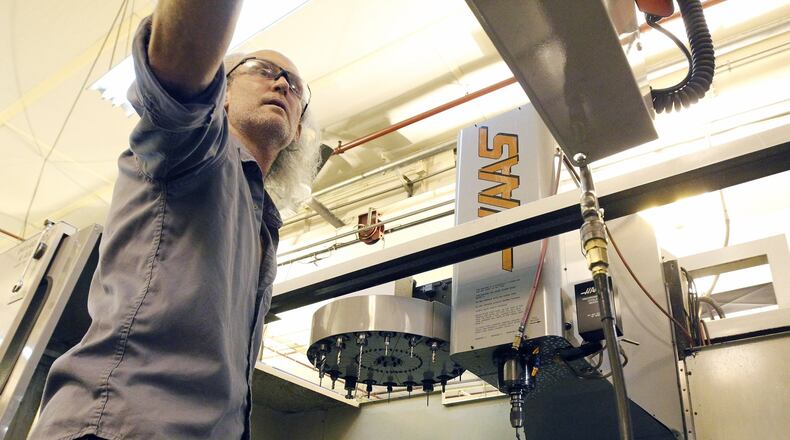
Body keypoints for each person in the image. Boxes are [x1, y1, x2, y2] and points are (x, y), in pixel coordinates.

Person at [29, 1, 320, 439]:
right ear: (220, 89)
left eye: (296, 85)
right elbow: (181, 74)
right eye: (262, 69)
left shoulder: (263, 222)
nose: (282, 82)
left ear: (297, 130)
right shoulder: (195, 148)